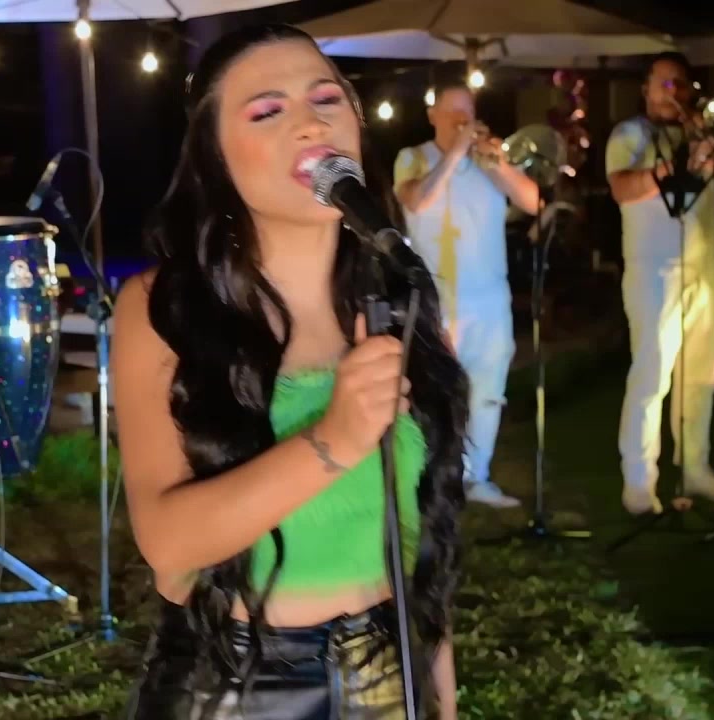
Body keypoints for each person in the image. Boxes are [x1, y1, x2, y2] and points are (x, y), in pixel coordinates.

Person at [115, 24, 467, 719]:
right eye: (267, 111)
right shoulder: (166, 308)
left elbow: (421, 533)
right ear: (216, 156)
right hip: (235, 685)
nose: (310, 123)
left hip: (387, 672)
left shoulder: (399, 298)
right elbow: (167, 543)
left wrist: (441, 695)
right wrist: (333, 440)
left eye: (326, 99)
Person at [605, 52, 714, 515]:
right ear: (646, 90)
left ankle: (695, 468)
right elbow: (622, 188)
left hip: (704, 266)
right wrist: (673, 165)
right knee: (652, 376)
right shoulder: (629, 134)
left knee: (702, 375)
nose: (674, 93)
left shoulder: (700, 133)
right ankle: (639, 482)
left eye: (681, 85)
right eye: (665, 84)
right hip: (654, 268)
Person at [393, 76, 540, 509]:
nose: (463, 119)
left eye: (469, 112)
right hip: (435, 299)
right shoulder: (413, 158)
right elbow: (416, 201)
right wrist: (455, 153)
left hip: (489, 298)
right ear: (432, 115)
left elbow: (532, 201)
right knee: (434, 392)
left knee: (488, 391)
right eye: (454, 111)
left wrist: (499, 165)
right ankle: (431, 481)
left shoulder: (488, 162)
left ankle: (477, 478)